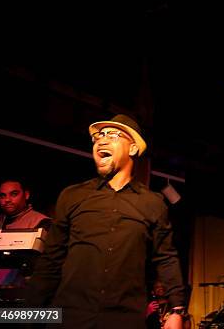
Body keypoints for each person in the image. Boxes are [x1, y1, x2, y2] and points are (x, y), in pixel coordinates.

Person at [27, 114, 187, 329]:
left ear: (132, 149)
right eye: (99, 136)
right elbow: (50, 261)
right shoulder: (72, 195)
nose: (102, 140)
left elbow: (166, 258)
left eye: (112, 135)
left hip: (125, 319)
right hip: (70, 317)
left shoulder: (153, 203)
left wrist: (176, 311)